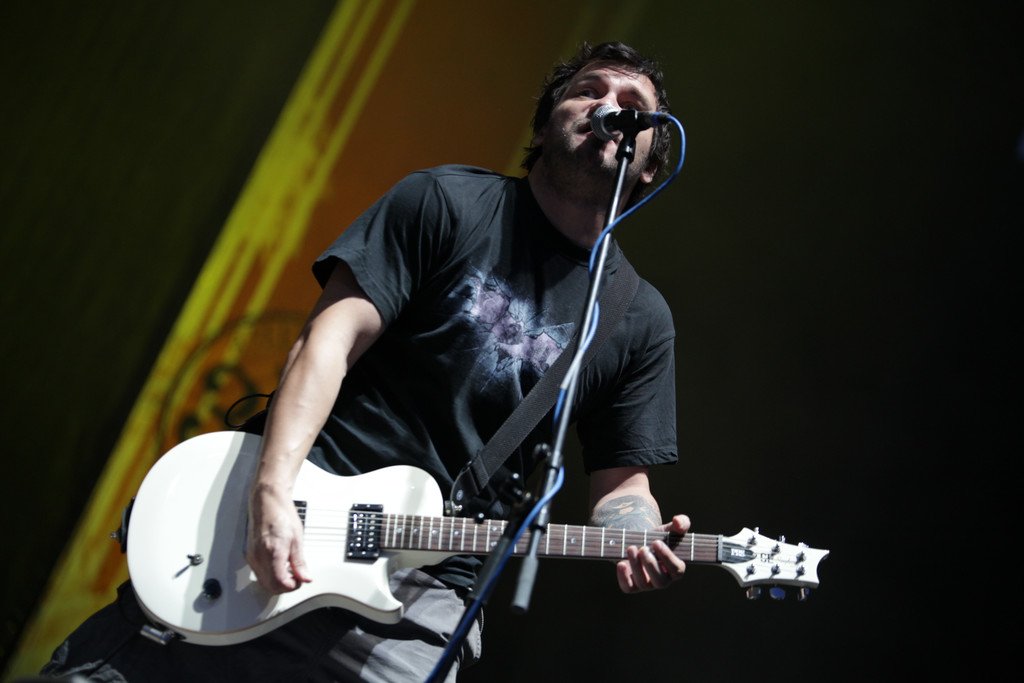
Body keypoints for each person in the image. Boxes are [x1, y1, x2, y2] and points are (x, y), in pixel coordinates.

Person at [39, 40, 691, 683]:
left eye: (632, 103)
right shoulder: (446, 202)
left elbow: (622, 484)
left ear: (648, 167)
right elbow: (328, 340)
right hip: (295, 504)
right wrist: (271, 491)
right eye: (589, 90)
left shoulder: (637, 318)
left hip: (422, 596)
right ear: (545, 123)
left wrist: (637, 532)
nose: (609, 106)